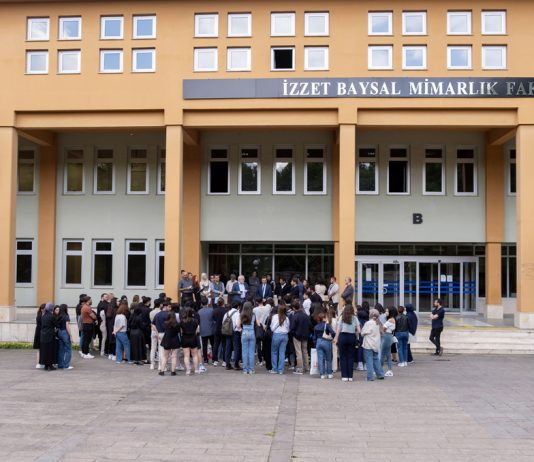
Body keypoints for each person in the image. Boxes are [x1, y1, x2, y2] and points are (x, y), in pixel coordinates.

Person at [334, 304, 360, 382]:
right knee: (351, 357)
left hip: (343, 337)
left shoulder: (342, 317)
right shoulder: (355, 318)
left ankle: (344, 376)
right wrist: (356, 334)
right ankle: (350, 377)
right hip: (352, 337)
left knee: (343, 357)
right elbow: (359, 330)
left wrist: (336, 339)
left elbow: (338, 329)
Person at [361, 309, 385, 381]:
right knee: (376, 359)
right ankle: (380, 374)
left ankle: (370, 377)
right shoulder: (378, 323)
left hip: (368, 344)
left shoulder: (368, 323)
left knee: (369, 361)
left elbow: (363, 333)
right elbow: (382, 333)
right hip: (376, 344)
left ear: (370, 315)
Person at [289, 299, 311, 375]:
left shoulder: (295, 316)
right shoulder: (306, 315)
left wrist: (293, 334)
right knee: (305, 351)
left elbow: (292, 328)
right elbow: (310, 326)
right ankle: (306, 367)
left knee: (298, 352)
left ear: (294, 308)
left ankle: (300, 368)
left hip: (297, 336)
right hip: (305, 335)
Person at [270, 305, 290, 374]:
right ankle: (281, 369)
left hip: (277, 335)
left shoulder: (274, 317)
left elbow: (272, 327)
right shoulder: (286, 318)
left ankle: (274, 369)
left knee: (274, 352)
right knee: (282, 353)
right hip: (285, 335)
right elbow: (288, 328)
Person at [159, 311, 180, 376]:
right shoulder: (177, 324)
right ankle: (173, 371)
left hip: (167, 340)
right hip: (175, 340)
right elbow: (178, 331)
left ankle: (162, 371)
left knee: (165, 356)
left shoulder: (165, 323)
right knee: (174, 356)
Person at [180, 307, 200, 375]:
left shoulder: (182, 321)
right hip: (193, 338)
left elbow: (181, 331)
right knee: (195, 355)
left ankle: (188, 370)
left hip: (185, 338)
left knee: (186, 355)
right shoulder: (195, 321)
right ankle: (196, 369)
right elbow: (197, 331)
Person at [39, 303, 59, 371]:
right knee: (50, 350)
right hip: (50, 335)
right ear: (51, 308)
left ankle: (46, 365)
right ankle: (50, 365)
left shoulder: (43, 316)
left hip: (43, 335)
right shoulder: (52, 316)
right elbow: (57, 325)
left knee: (44, 350)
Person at [238, 302, 256, 374]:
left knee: (244, 352)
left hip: (244, 332)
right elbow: (258, 323)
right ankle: (251, 369)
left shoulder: (241, 314)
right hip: (252, 332)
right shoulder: (253, 315)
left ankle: (245, 370)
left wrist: (241, 330)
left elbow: (238, 325)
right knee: (251, 352)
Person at [253, 297, 271, 366]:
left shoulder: (255, 309)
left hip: (258, 327)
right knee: (265, 344)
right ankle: (266, 359)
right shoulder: (267, 308)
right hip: (265, 327)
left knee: (258, 345)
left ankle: (260, 360)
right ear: (262, 301)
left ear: (257, 302)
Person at [198, 296, 215, 364]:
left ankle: (205, 359)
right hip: (211, 329)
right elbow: (214, 320)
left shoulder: (199, 311)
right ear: (207, 302)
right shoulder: (211, 310)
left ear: (201, 303)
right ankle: (214, 359)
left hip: (203, 330)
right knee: (213, 344)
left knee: (204, 345)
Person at [381, 307, 397, 377]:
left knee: (382, 353)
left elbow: (383, 328)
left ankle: (380, 369)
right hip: (389, 336)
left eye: (387, 311)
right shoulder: (392, 319)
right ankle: (389, 370)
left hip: (387, 336)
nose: (386, 313)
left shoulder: (390, 320)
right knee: (387, 354)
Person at [57, 304, 73, 370]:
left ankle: (60, 365)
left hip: (59, 332)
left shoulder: (59, 316)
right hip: (65, 333)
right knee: (68, 349)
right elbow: (67, 326)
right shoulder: (66, 316)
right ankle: (66, 365)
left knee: (61, 350)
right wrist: (70, 335)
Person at [212, 298, 227, 366]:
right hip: (224, 329)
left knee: (216, 345)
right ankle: (224, 361)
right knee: (224, 345)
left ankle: (215, 360)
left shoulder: (215, 310)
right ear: (223, 303)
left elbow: (213, 319)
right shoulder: (226, 310)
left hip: (217, 329)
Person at [149, 300, 162, 370]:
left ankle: (152, 364)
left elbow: (151, 322)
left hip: (153, 330)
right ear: (160, 305)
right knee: (160, 348)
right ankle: (160, 364)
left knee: (153, 348)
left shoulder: (151, 312)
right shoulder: (161, 312)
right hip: (160, 331)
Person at [33, 304, 45, 369]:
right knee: (40, 349)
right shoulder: (41, 316)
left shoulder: (38, 315)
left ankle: (39, 363)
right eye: (43, 309)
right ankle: (39, 363)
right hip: (40, 332)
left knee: (39, 349)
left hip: (38, 332)